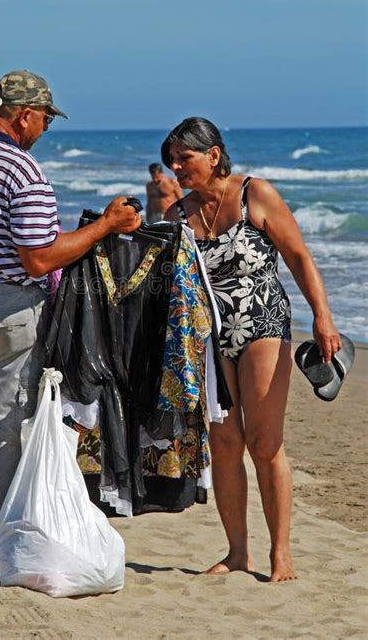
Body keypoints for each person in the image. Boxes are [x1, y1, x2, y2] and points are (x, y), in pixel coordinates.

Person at [0, 70, 141, 581]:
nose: (44, 129)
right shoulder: (22, 170)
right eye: (43, 119)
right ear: (24, 115)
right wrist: (104, 226)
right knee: (7, 427)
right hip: (10, 312)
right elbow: (39, 259)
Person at [161, 117, 341, 582]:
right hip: (208, 337)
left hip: (263, 323)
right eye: (172, 160)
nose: (177, 167)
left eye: (186, 158)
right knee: (224, 443)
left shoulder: (254, 194)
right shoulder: (176, 218)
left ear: (214, 154)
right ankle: (238, 552)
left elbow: (299, 255)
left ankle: (281, 553)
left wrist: (322, 316)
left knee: (264, 442)